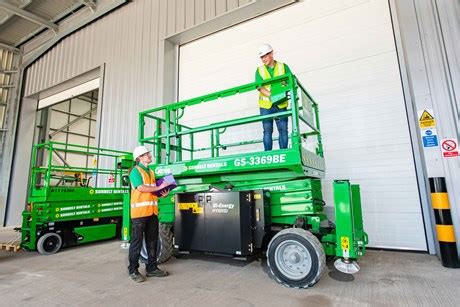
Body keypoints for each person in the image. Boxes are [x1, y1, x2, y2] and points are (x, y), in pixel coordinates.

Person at [128, 145, 171, 283]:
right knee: (137, 242)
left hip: (152, 212)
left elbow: (151, 190)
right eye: (147, 154)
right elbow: (140, 187)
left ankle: (152, 268)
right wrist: (158, 187)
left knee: (152, 241)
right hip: (139, 213)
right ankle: (133, 270)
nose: (150, 156)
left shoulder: (151, 172)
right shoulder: (135, 171)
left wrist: (161, 193)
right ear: (139, 158)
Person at [255, 43, 292, 151]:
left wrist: (282, 90)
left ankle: (283, 153)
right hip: (266, 106)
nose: (263, 59)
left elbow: (289, 82)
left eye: (265, 56)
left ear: (271, 53)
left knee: (283, 130)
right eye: (261, 57)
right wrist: (273, 96)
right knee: (267, 131)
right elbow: (259, 87)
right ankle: (268, 155)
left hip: (280, 103)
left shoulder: (283, 67)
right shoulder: (259, 70)